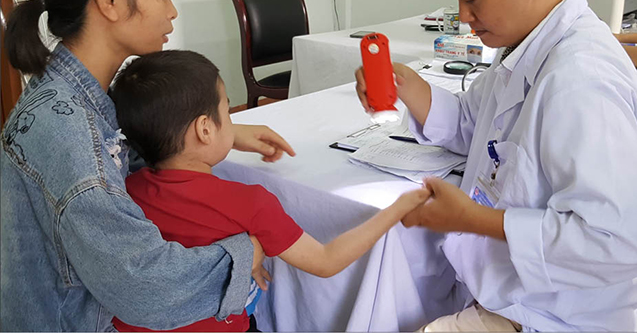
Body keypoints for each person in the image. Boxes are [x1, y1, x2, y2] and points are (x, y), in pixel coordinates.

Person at [1, 0, 296, 331]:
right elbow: (147, 287)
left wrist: (227, 133)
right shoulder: (70, 133)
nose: (172, 11)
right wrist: (246, 252)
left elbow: (121, 157)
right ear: (110, 2)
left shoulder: (64, 94)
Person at [355, 0, 637, 331]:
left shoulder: (580, 80)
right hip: (504, 288)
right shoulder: (527, 43)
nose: (464, 17)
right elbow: (474, 124)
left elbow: (614, 242)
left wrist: (473, 220)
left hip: (553, 314)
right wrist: (410, 89)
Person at [107, 49, 430, 332]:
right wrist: (396, 210)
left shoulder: (125, 190)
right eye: (227, 111)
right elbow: (326, 261)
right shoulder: (248, 202)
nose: (232, 121)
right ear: (205, 129)